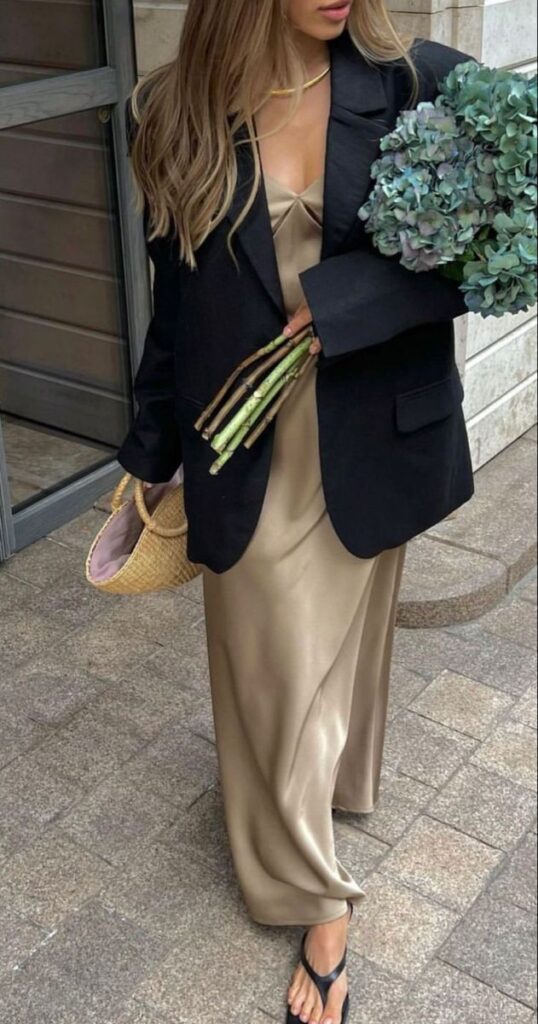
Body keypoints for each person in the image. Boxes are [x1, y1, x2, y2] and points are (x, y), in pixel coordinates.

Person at [116, 3, 476, 1021]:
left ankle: (327, 818)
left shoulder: (417, 84)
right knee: (273, 661)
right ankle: (318, 894)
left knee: (333, 650)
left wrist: (346, 300)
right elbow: (173, 305)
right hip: (241, 445)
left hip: (366, 433)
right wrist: (151, 451)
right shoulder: (173, 110)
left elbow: (475, 257)